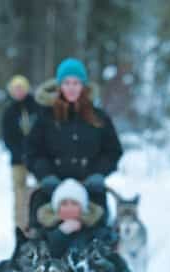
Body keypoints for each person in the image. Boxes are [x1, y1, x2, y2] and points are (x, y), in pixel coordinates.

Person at [26, 57, 123, 227]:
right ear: (59, 86)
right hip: (52, 189)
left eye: (76, 83)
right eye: (67, 83)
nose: (71, 88)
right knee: (40, 229)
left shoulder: (99, 117)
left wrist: (98, 173)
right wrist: (46, 175)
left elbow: (113, 151)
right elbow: (32, 151)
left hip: (89, 188)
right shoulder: (45, 117)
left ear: (83, 86)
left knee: (100, 232)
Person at [2, 75, 39, 230]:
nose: (19, 92)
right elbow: (8, 137)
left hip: (37, 158)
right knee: (20, 194)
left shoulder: (36, 108)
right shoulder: (9, 111)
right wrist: (19, 154)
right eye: (15, 89)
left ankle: (38, 223)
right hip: (18, 160)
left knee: (39, 190)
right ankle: (21, 227)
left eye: (21, 88)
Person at [37, 178, 106, 258]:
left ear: (82, 208)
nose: (69, 208)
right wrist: (61, 233)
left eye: (74, 203)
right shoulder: (47, 230)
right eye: (64, 204)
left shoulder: (93, 228)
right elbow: (47, 254)